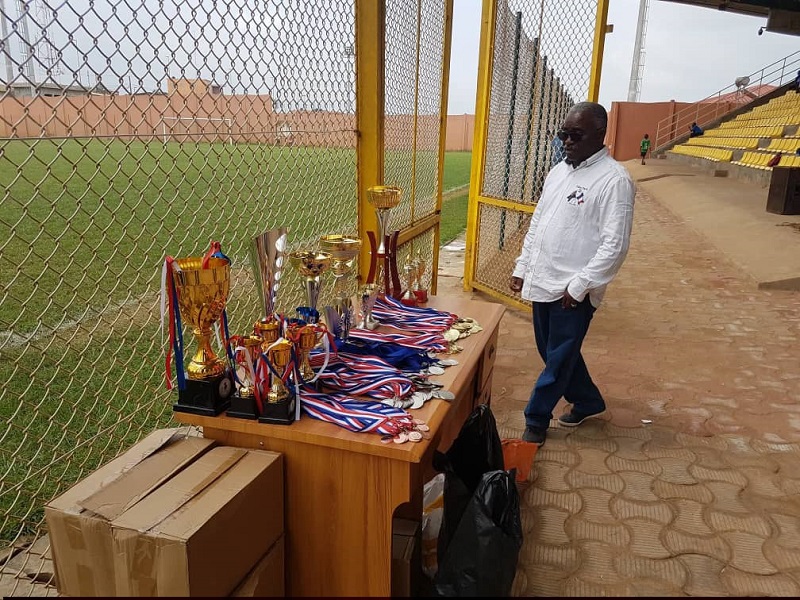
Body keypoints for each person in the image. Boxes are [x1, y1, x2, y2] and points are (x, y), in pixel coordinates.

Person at [509, 101, 635, 446]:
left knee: (559, 357)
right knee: (552, 352)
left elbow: (616, 245)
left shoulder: (615, 181)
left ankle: (536, 417)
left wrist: (581, 284)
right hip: (543, 277)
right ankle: (588, 400)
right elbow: (539, 222)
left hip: (573, 289)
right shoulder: (558, 172)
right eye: (563, 133)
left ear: (600, 133)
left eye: (575, 134)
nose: (566, 140)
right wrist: (523, 266)